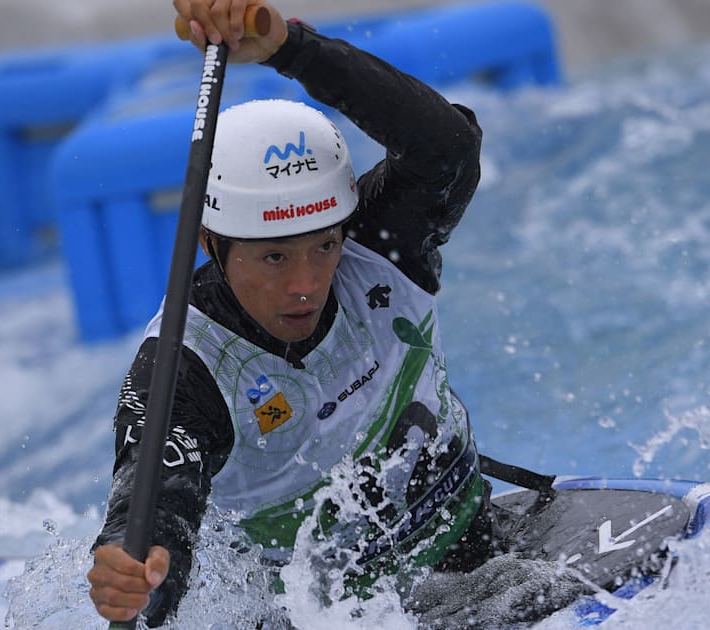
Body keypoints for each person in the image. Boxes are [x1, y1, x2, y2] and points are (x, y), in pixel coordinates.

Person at [85, 1, 589, 627]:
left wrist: (291, 50)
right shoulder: (183, 368)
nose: (307, 284)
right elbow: (157, 508)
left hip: (479, 554)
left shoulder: (381, 249)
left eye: (324, 246)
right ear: (213, 245)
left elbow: (447, 146)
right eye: (274, 259)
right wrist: (142, 574)